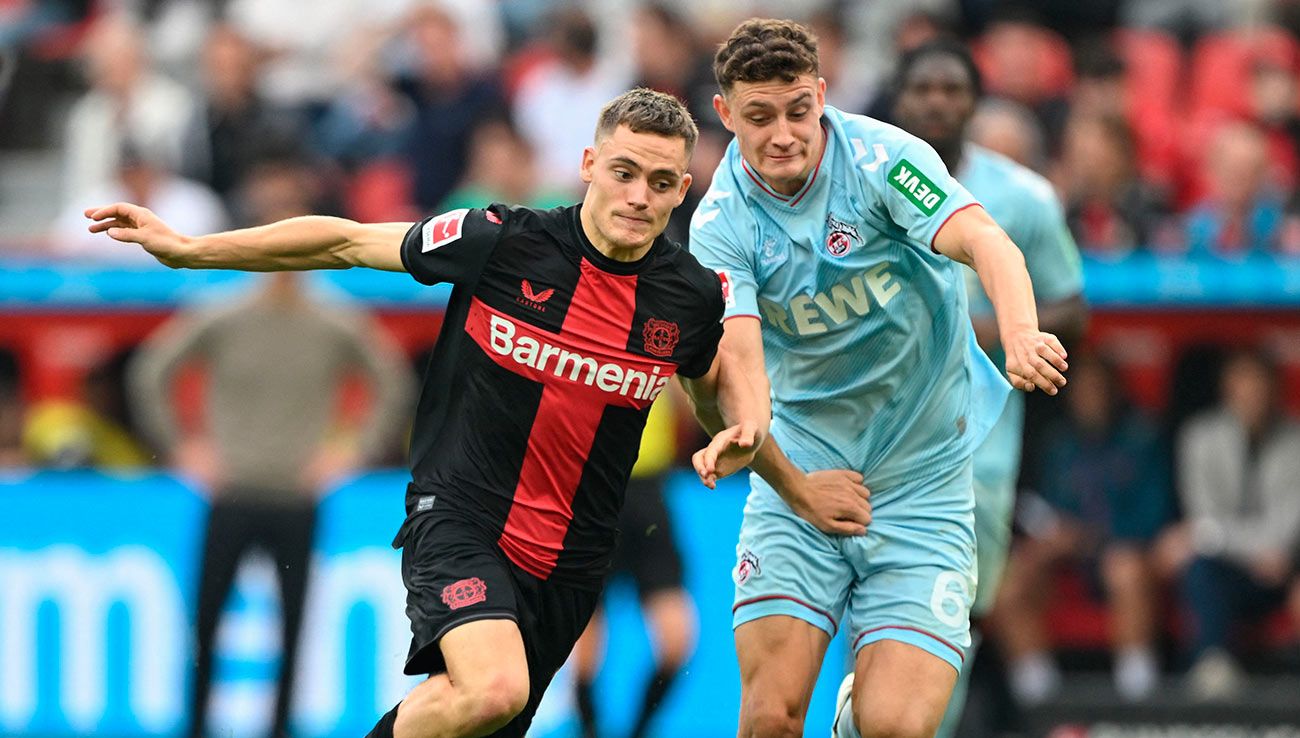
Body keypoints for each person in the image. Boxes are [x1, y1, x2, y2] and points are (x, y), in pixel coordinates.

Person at [87, 87, 765, 738]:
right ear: (589, 166)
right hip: (462, 519)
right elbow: (348, 241)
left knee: (482, 715)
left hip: (572, 561)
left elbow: (718, 395)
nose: (639, 196)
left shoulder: (690, 297)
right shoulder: (503, 239)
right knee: (493, 689)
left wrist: (785, 476)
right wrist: (194, 251)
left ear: (683, 189)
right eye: (624, 172)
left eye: (659, 181)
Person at [686, 19, 1068, 738]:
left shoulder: (885, 160)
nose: (783, 135)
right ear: (725, 113)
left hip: (922, 482)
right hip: (801, 477)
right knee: (769, 717)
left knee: (895, 728)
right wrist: (794, 485)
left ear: (822, 97)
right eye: (759, 117)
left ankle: (854, 718)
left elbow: (986, 239)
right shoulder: (718, 224)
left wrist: (1020, 332)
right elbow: (739, 360)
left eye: (798, 110)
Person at [128, 153, 415, 738]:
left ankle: (277, 729)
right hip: (234, 490)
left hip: (292, 495)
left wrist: (349, 452)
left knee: (290, 629)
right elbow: (151, 373)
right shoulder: (226, 314)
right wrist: (186, 448)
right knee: (206, 625)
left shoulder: (334, 320)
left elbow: (393, 383)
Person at [890, 39, 1088, 731]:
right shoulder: (860, 186)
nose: (938, 102)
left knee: (959, 608)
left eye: (953, 89)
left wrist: (1006, 326)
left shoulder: (1022, 197)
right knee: (876, 608)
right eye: (924, 88)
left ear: (974, 101)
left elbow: (1071, 303)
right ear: (899, 99)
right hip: (876, 438)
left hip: (982, 447)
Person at [993, 353, 1172, 704]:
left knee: (1125, 569)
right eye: (1084, 391)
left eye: (1099, 389)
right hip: (1066, 556)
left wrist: (1090, 536)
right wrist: (1049, 538)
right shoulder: (1060, 443)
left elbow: (1155, 518)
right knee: (1009, 578)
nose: (1092, 398)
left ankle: (1137, 692)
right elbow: (1044, 509)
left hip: (1121, 551)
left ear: (1115, 391)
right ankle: (1039, 697)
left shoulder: (1143, 437)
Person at [1159, 347, 1300, 700]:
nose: (1253, 395)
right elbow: (1202, 517)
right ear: (1228, 390)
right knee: (1201, 569)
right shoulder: (1200, 437)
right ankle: (1213, 666)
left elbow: (1286, 527)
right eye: (1243, 386)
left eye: (1260, 386)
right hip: (1234, 567)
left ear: (1275, 390)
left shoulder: (1296, 438)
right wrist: (1231, 544)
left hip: (1287, 564)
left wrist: (1210, 536)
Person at [572, 390, 696, 738]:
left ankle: (639, 732)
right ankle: (589, 731)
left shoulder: (666, 340)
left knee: (676, 639)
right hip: (592, 492)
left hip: (649, 495)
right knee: (582, 643)